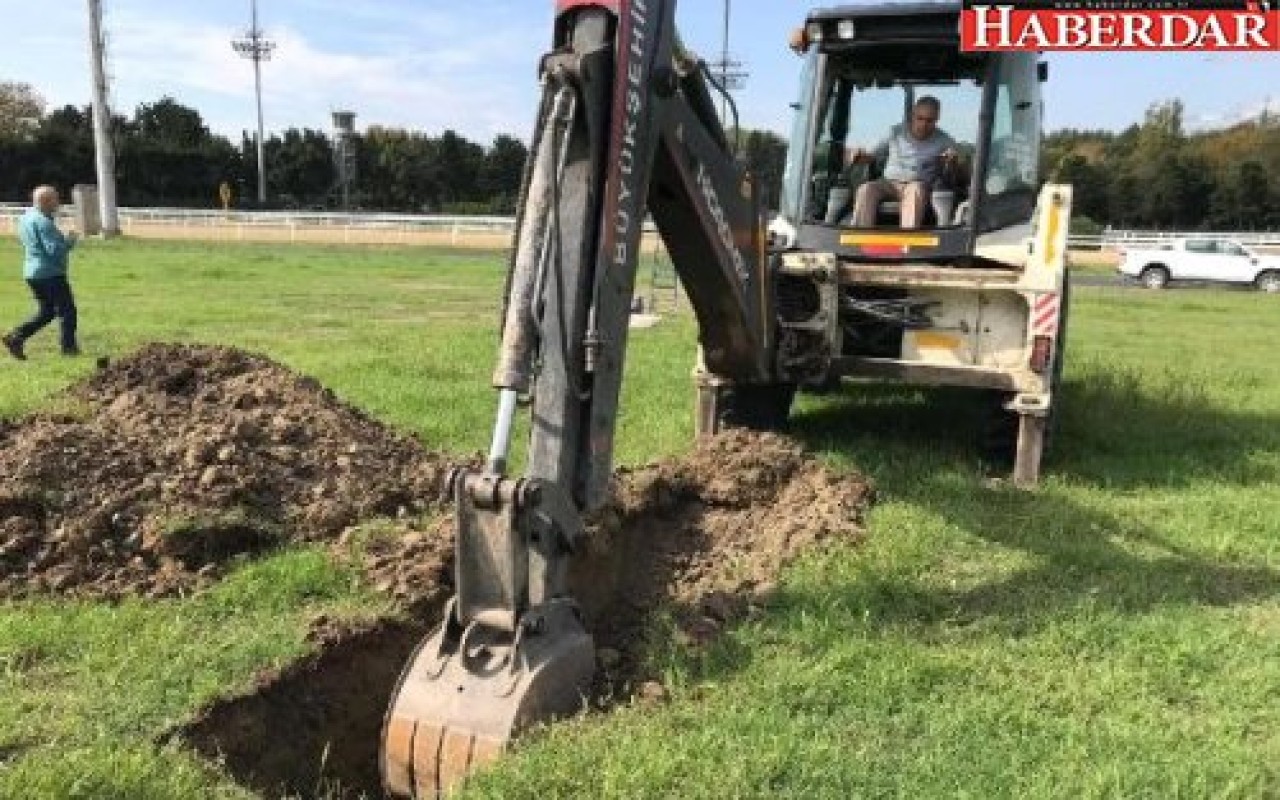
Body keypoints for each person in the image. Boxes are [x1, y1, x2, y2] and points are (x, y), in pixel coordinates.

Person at [846, 96, 959, 229]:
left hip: (917, 184)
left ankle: (907, 240)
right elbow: (870, 156)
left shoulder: (944, 140)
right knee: (866, 189)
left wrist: (952, 160)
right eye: (920, 118)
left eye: (929, 120)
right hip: (889, 183)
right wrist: (858, 155)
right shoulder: (894, 132)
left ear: (937, 119)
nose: (923, 124)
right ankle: (861, 237)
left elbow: (957, 167)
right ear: (912, 115)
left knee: (915, 190)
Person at [3, 185, 81, 360]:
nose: (58, 202)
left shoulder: (26, 217)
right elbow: (54, 251)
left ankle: (16, 336)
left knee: (47, 312)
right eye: (55, 199)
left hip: (32, 272)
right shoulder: (44, 223)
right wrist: (70, 240)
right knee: (68, 311)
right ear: (46, 201)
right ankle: (69, 349)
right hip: (50, 274)